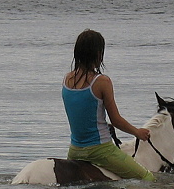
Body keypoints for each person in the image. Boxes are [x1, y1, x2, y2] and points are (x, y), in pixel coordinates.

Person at [62, 29, 155, 181]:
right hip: (100, 150)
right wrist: (138, 133)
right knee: (147, 178)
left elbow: (82, 115)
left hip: (75, 151)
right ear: (98, 54)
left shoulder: (66, 80)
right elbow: (116, 119)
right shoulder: (102, 82)